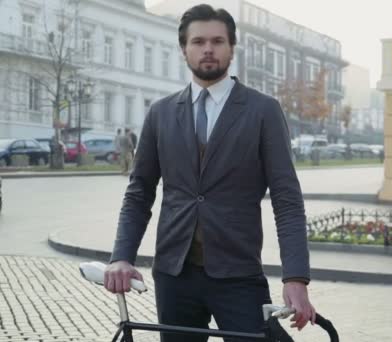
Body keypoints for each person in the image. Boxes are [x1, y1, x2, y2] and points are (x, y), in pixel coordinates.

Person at [104, 4, 314, 342]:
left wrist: (296, 278)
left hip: (238, 274)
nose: (208, 49)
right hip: (174, 275)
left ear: (232, 47)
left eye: (217, 41)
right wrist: (122, 256)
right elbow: (139, 191)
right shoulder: (160, 113)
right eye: (198, 41)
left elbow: (287, 200)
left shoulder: (263, 111)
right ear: (184, 48)